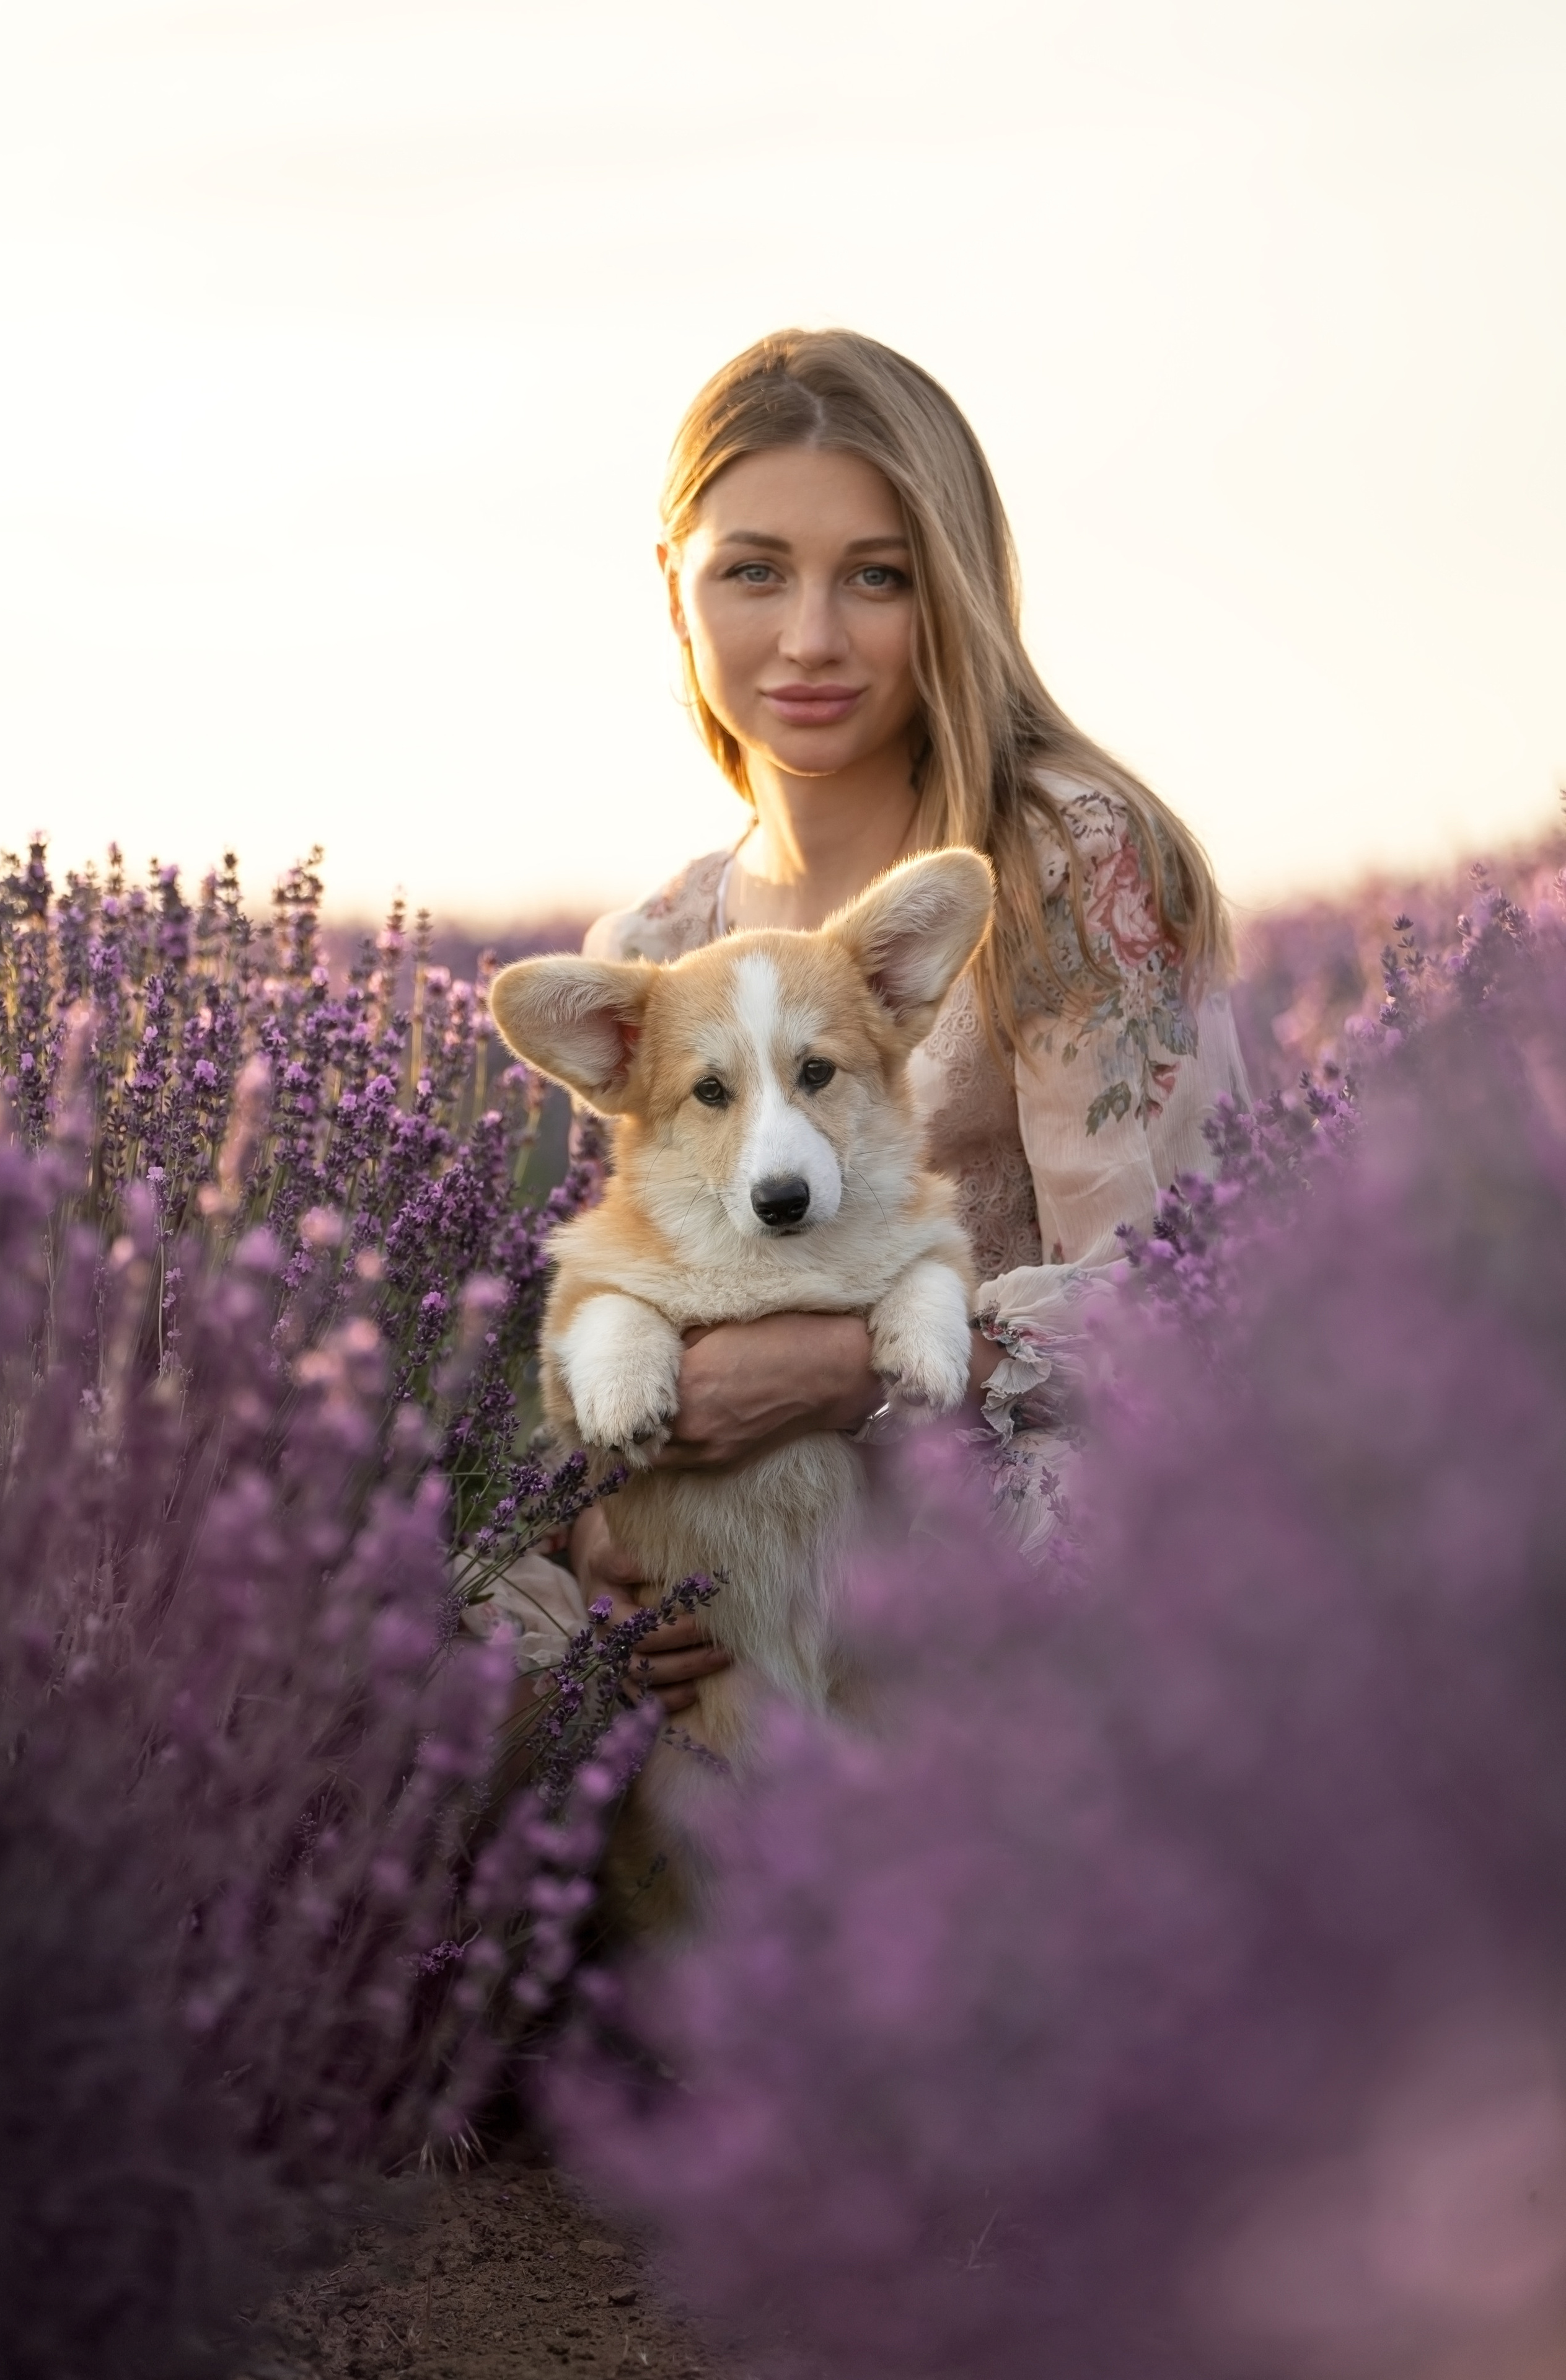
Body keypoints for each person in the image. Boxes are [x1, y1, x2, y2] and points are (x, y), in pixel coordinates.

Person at [503, 328, 1249, 1714]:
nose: (808, 639)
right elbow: (610, 1321)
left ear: (950, 594)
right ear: (674, 588)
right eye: (752, 571)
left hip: (1022, 1581)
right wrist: (614, 1533)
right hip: (744, 1603)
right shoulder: (656, 954)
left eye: (875, 577)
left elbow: (1193, 1302)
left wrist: (840, 1369)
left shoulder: (1064, 868)